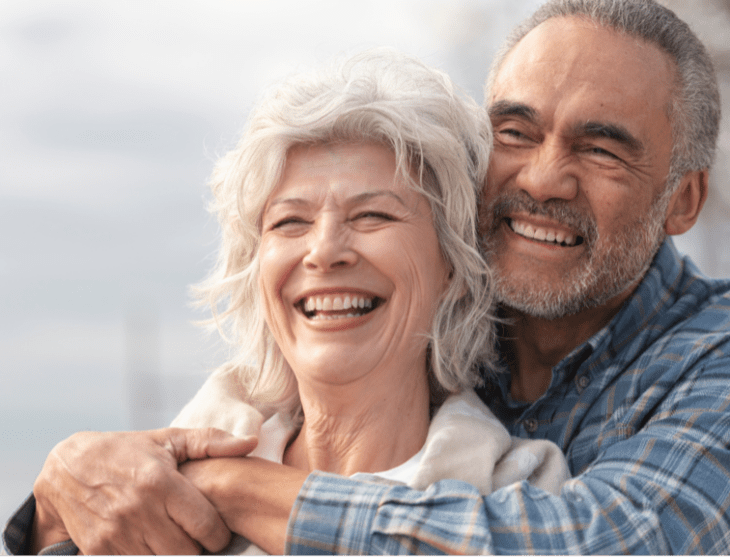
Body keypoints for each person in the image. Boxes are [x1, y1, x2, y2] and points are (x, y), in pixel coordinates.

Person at [4, 0, 730, 555]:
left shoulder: (708, 364)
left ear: (684, 201)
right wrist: (60, 490)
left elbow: (607, 542)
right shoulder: (251, 408)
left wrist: (222, 487)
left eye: (602, 149)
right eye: (515, 132)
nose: (543, 178)